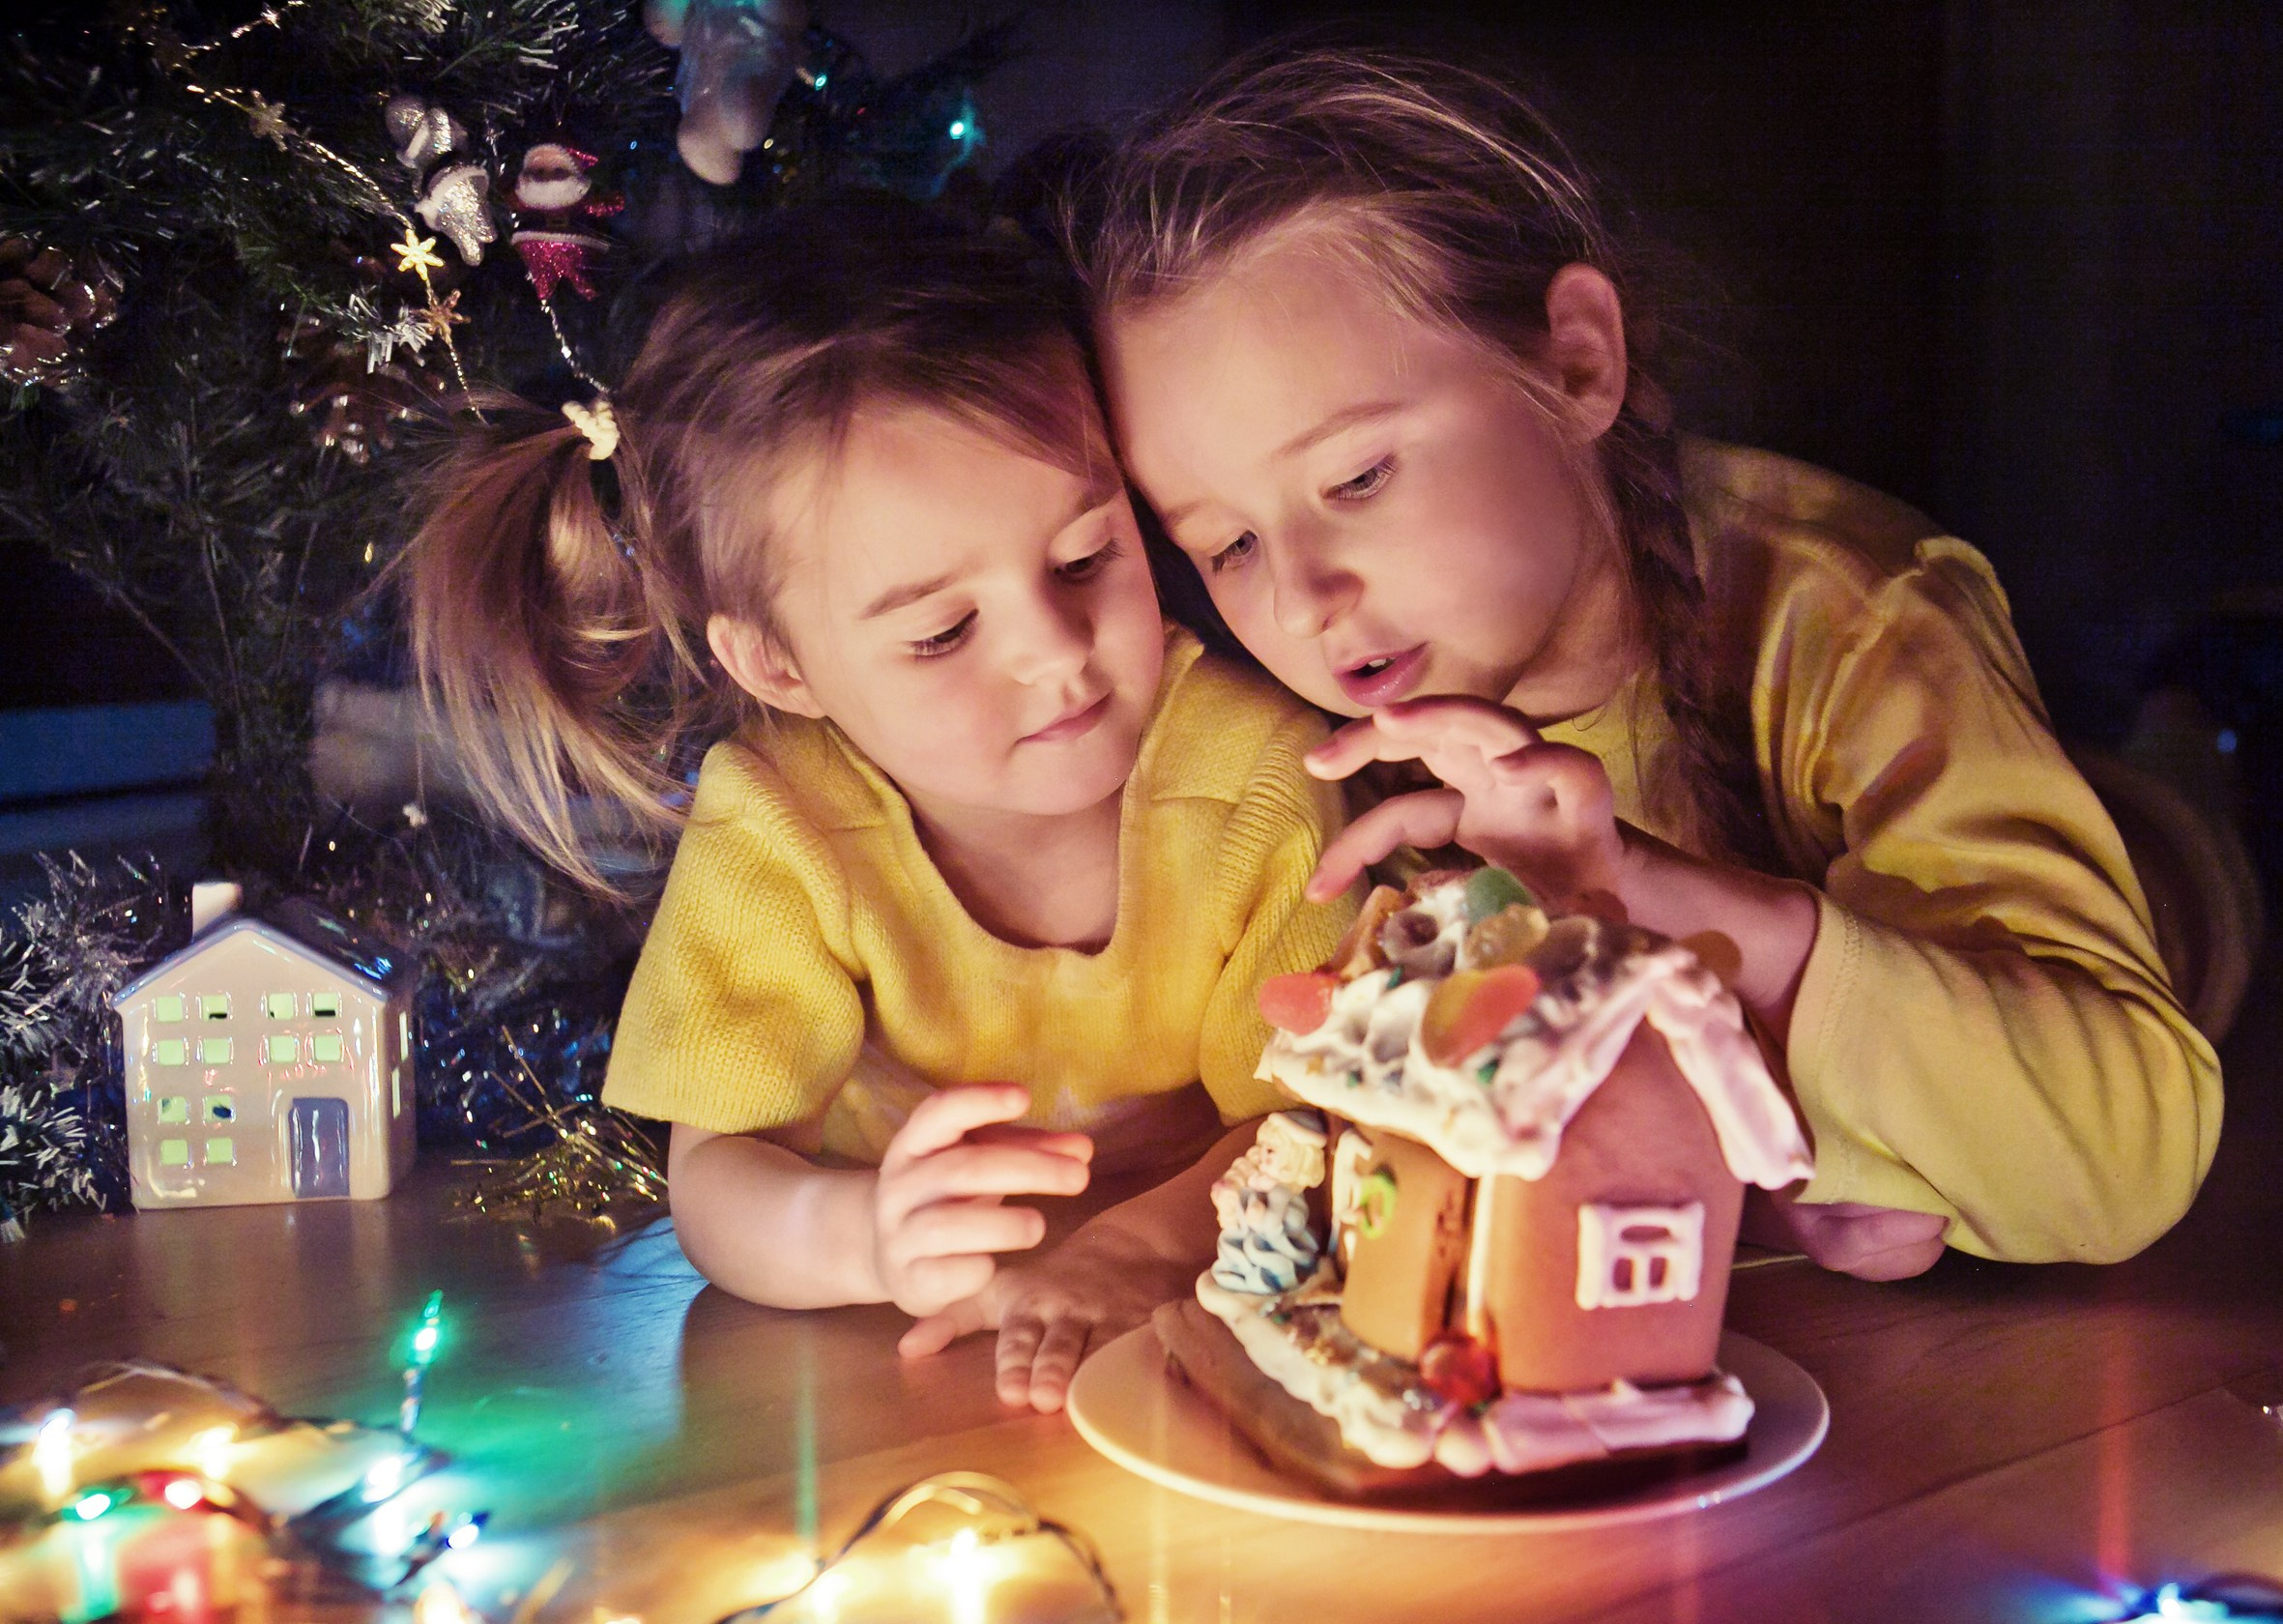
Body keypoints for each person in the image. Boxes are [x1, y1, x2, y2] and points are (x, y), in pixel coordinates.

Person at [1080, 46, 2221, 1278]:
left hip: (2173, 894)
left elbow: (2116, 1166)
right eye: (1229, 544)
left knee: (2176, 773)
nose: (1302, 601)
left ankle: (2182, 729)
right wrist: (1774, 1182)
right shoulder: (1336, 760)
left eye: (1356, 478)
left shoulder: (1859, 615)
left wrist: (1638, 885)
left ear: (1577, 362)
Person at [398, 199, 1355, 1411]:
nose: (1056, 650)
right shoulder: (780, 824)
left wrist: (1131, 1251)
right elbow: (718, 1178)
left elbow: (1316, 1129)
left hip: (1199, 1334)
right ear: (778, 666)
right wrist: (861, 1239)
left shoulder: (1261, 777)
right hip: (899, 1367)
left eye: (1084, 559)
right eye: (942, 631)